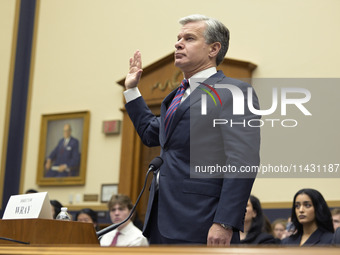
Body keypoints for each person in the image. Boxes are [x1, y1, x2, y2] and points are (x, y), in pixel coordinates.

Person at [123, 14, 261, 245]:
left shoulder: (233, 92)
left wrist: (224, 222)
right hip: (160, 220)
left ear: (213, 49)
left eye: (189, 38)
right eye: (178, 38)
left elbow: (242, 160)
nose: (178, 43)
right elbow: (149, 133)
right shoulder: (175, 96)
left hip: (203, 222)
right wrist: (132, 91)